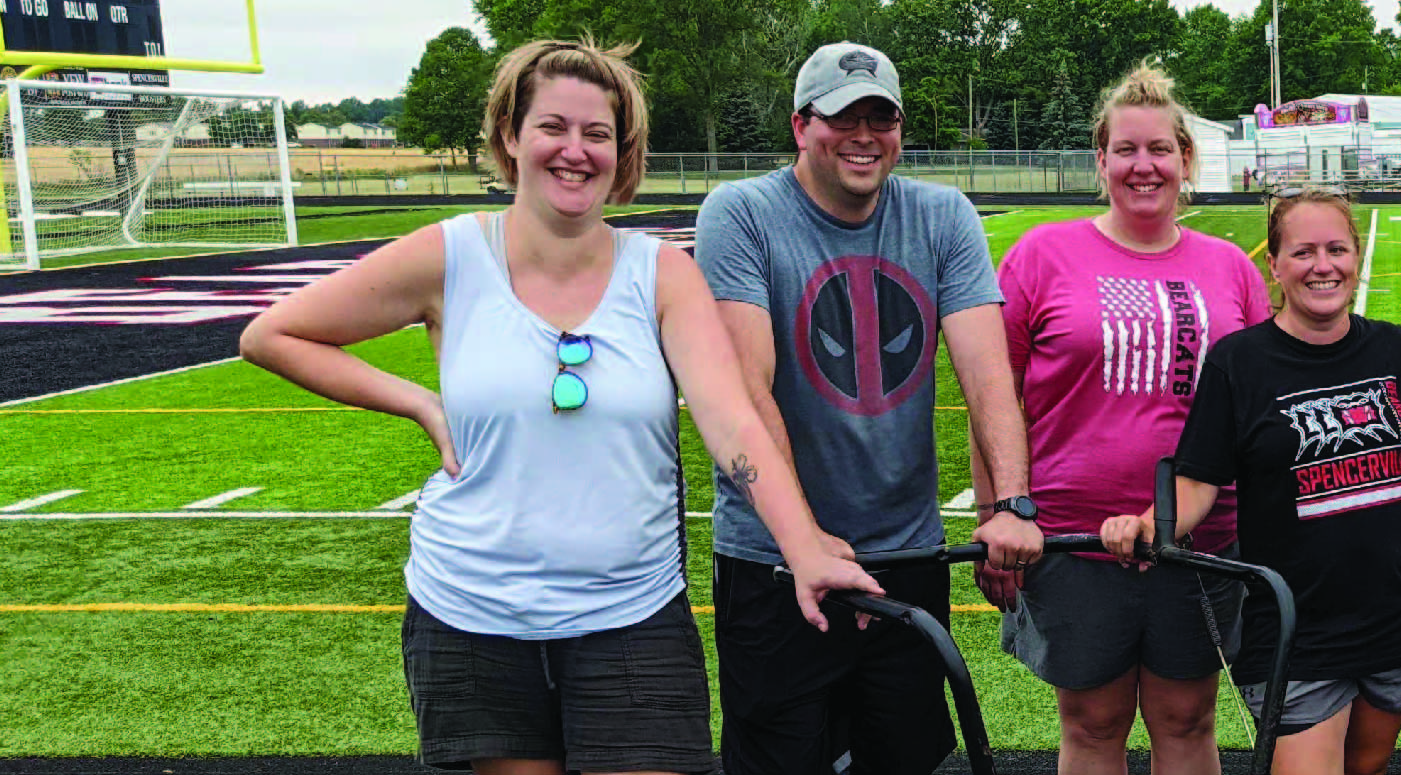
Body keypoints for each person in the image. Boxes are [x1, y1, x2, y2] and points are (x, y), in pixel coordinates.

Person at [237, 39, 877, 775]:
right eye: (553, 127)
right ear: (510, 135)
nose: (574, 151)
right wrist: (419, 402)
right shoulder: (448, 256)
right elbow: (272, 335)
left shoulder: (663, 274)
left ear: (621, 150)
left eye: (597, 134)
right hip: (471, 611)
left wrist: (803, 550)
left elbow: (731, 418)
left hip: (631, 612)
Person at [695, 41, 1040, 775]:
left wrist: (1010, 502)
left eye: (881, 118)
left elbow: (987, 374)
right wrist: (807, 538)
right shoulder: (744, 214)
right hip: (776, 562)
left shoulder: (941, 215)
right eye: (841, 117)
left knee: (904, 758)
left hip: (903, 554)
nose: (863, 136)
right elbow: (748, 391)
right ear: (800, 126)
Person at [1100, 189, 1401, 775]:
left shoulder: (1390, 343)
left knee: (1366, 766)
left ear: (1356, 257)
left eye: (1337, 249)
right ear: (1276, 265)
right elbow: (1199, 482)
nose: (1322, 265)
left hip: (1397, 608)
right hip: (1296, 620)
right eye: (1303, 251)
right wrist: (1146, 525)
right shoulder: (1239, 362)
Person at [987, 63, 1272, 775]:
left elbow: (1260, 400)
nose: (1143, 166)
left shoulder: (1230, 266)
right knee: (1092, 721)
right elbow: (996, 396)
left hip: (1200, 539)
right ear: (1101, 160)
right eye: (1126, 150)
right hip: (1071, 539)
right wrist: (1002, 507)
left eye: (1159, 150)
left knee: (1187, 716)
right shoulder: (1039, 255)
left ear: (1184, 158)